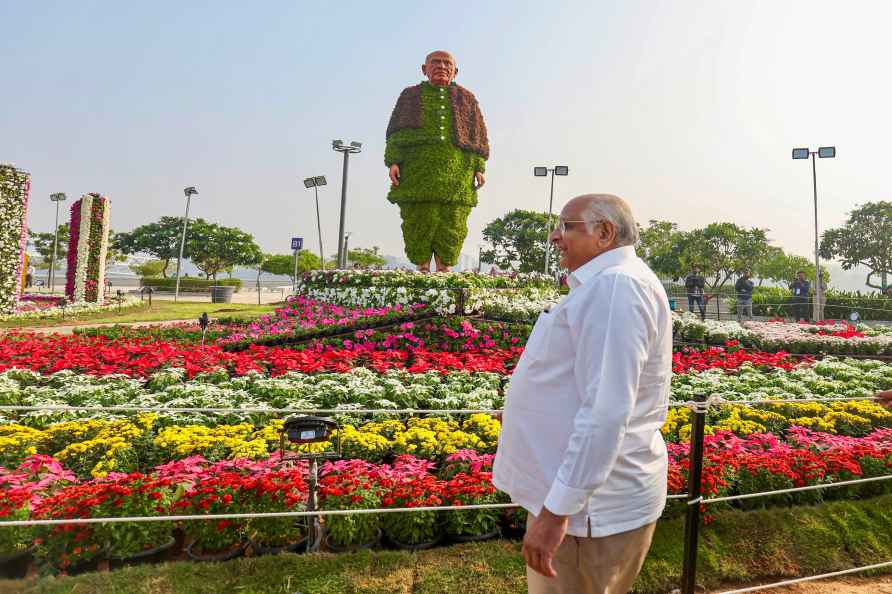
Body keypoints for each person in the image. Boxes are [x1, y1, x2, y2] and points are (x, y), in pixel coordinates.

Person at [493, 194, 671, 594]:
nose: (555, 237)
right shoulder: (610, 284)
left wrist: (557, 513)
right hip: (582, 510)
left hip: (586, 516)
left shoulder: (616, 288)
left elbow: (606, 412)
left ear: (605, 233)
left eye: (566, 226)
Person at [385, 50, 489, 273]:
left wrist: (479, 166)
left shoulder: (467, 99)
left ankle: (445, 269)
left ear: (455, 71)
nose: (441, 66)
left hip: (458, 174)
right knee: (418, 220)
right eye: (435, 62)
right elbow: (395, 132)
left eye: (447, 63)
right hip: (416, 171)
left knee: (453, 222)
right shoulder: (410, 96)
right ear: (424, 69)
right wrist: (393, 161)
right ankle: (422, 267)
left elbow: (477, 136)